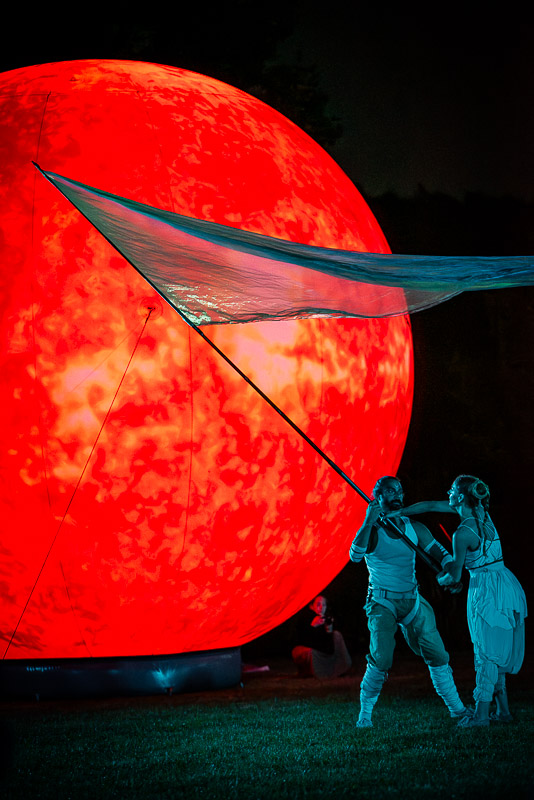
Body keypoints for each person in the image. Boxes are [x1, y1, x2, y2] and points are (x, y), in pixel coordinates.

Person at [397, 475, 527, 727]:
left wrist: (442, 579)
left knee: (486, 651)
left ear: (459, 497)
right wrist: (399, 513)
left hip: (486, 591)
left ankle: (481, 715)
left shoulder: (462, 534)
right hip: (504, 583)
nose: (448, 492)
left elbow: (455, 576)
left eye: (452, 490)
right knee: (494, 647)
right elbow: (430, 505)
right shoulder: (482, 513)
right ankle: (503, 711)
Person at [349, 475, 470, 727]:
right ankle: (365, 716)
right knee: (382, 659)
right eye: (390, 491)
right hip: (382, 602)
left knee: (438, 655)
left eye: (400, 491)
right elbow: (355, 555)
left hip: (412, 600)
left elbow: (442, 554)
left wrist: (451, 571)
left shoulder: (415, 528)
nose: (397, 495)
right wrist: (368, 521)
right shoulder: (372, 531)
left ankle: (458, 710)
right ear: (378, 497)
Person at [291, 595, 352, 679]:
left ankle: (338, 668)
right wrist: (313, 626)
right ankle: (312, 671)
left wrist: (328, 630)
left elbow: (329, 646)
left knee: (336, 635)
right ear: (312, 606)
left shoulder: (326, 619)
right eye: (318, 604)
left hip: (324, 652)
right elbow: (302, 639)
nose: (321, 608)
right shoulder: (306, 618)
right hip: (311, 650)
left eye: (323, 605)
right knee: (308, 652)